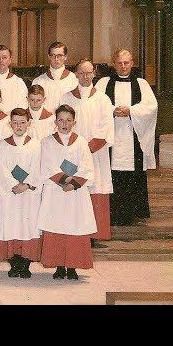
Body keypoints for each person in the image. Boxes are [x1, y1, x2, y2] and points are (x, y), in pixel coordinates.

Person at [96, 49, 158, 226]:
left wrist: (131, 111)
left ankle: (132, 212)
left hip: (133, 136)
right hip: (111, 136)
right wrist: (112, 110)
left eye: (127, 63)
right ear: (113, 63)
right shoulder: (103, 83)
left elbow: (151, 107)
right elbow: (96, 104)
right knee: (111, 171)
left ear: (132, 63)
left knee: (132, 171)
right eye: (119, 63)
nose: (123, 67)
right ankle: (111, 213)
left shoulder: (141, 84)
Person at [37, 104, 96, 280]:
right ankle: (59, 266)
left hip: (75, 193)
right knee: (57, 227)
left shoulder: (81, 142)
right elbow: (47, 165)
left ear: (74, 122)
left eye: (68, 120)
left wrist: (74, 184)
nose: (64, 124)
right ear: (55, 121)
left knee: (74, 227)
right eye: (61, 120)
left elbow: (87, 167)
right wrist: (64, 182)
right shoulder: (47, 142)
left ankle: (72, 267)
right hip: (56, 192)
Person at [61, 59, 114, 244]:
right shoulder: (66, 98)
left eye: (89, 72)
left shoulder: (102, 99)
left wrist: (86, 149)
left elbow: (106, 128)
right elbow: (62, 125)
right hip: (71, 154)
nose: (85, 76)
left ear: (94, 73)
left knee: (95, 188)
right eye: (82, 73)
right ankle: (74, 231)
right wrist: (74, 150)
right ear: (75, 74)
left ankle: (93, 236)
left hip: (95, 154)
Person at [0, 108, 43, 278]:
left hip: (28, 195)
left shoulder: (36, 144)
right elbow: (0, 169)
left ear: (29, 123)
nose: (18, 126)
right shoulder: (3, 145)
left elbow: (38, 168)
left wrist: (26, 185)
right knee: (10, 226)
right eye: (15, 122)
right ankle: (14, 264)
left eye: (22, 122)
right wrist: (13, 185)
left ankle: (25, 265)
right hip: (9, 195)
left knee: (26, 227)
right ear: (10, 123)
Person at [31, 41, 78, 113]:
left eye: (60, 55)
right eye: (53, 55)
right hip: (46, 121)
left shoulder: (74, 79)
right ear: (49, 57)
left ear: (65, 57)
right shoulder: (38, 81)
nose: (56, 59)